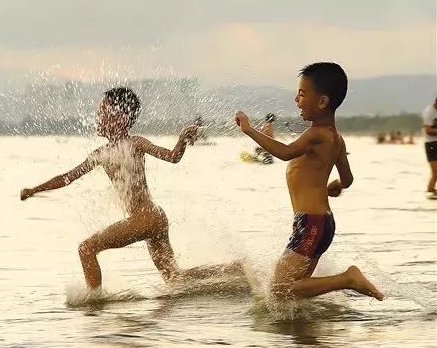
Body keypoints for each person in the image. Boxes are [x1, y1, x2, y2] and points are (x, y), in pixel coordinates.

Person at [20, 87, 238, 289]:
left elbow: (172, 157)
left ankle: (93, 303)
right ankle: (235, 270)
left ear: (121, 118)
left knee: (86, 249)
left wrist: (182, 140)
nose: (98, 117)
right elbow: (67, 178)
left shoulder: (134, 143)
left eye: (103, 112)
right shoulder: (101, 153)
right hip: (154, 217)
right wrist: (34, 190)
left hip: (145, 218)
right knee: (175, 278)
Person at [234, 62, 383, 301]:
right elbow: (348, 179)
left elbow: (285, 152)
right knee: (292, 293)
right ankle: (310, 325)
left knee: (279, 290)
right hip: (320, 223)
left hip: (312, 223)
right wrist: (334, 186)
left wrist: (250, 130)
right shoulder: (336, 139)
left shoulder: (316, 134)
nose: (296, 100)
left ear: (322, 102)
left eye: (302, 94)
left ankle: (347, 279)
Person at [422, 97, 437, 196]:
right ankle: (430, 190)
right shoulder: (429, 112)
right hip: (431, 144)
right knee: (435, 171)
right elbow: (428, 130)